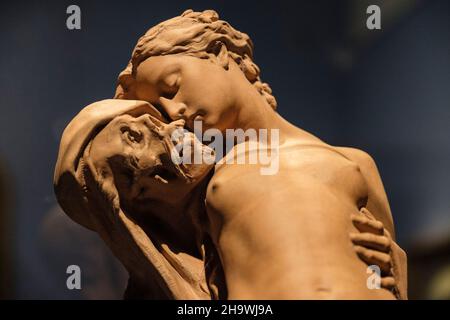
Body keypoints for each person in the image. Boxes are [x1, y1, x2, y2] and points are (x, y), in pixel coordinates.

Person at [112, 9, 407, 299]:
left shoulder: (354, 162)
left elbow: (391, 274)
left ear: (219, 53)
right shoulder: (199, 182)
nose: (174, 111)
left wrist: (392, 269)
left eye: (172, 86)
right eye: (162, 110)